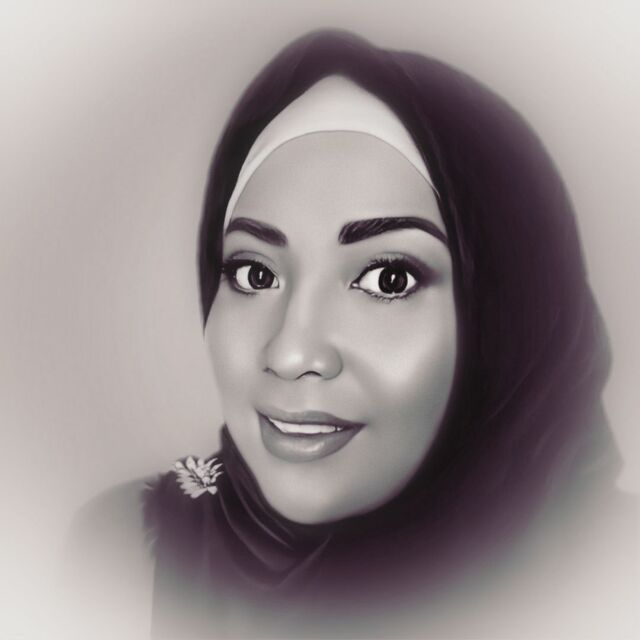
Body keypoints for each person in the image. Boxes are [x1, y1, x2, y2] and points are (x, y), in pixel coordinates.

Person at [66, 29, 637, 639]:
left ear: (508, 321)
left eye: (389, 279)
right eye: (254, 273)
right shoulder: (127, 552)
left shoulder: (615, 573)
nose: (291, 353)